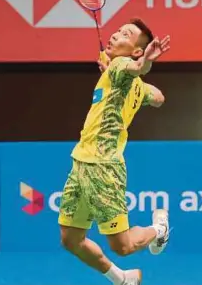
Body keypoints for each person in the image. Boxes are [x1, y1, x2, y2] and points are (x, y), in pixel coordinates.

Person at [58, 18, 171, 285]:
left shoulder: (121, 66)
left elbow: (134, 67)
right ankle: (122, 278)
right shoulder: (124, 78)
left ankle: (158, 230)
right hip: (81, 163)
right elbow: (158, 97)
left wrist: (142, 65)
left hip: (103, 168)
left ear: (135, 50)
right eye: (118, 31)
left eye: (125, 35)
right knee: (71, 239)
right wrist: (126, 79)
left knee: (123, 246)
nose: (115, 35)